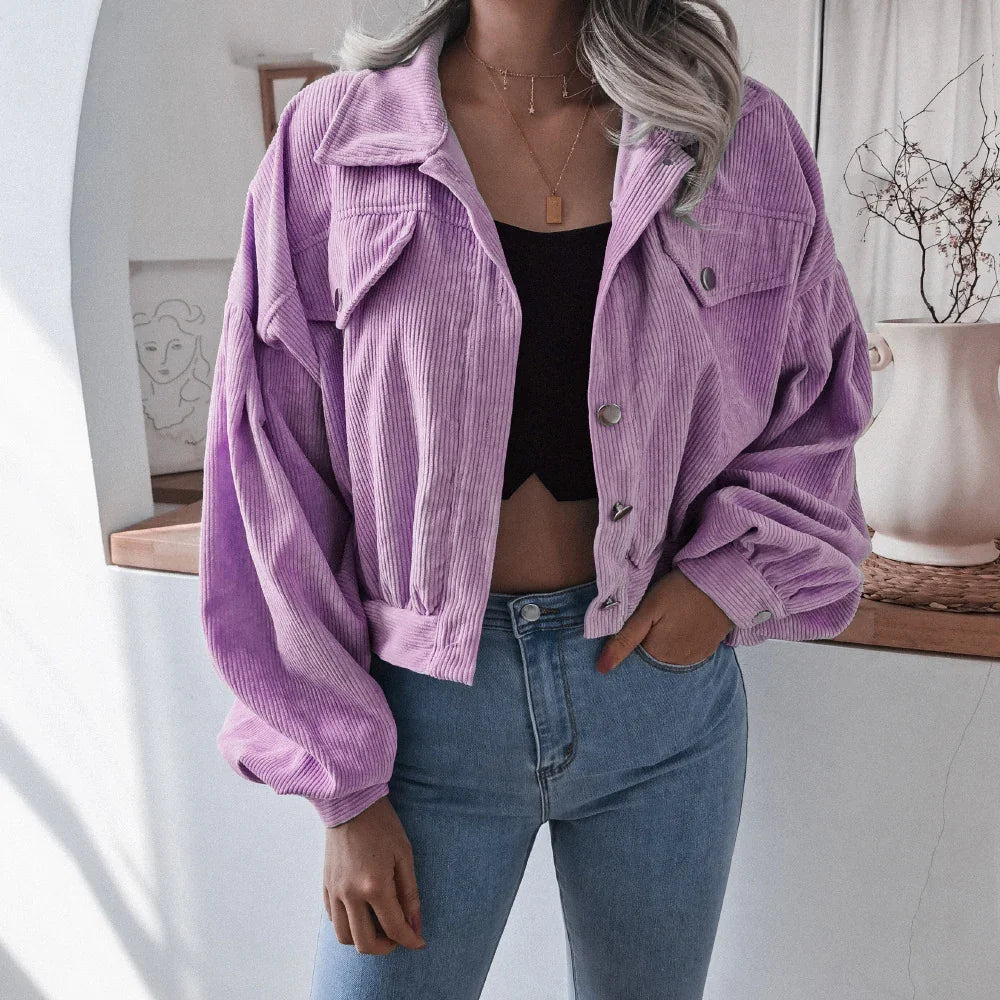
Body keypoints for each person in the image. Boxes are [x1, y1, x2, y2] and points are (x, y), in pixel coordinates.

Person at [199, 1, 874, 997]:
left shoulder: (734, 132)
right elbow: (270, 467)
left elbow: (819, 399)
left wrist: (722, 585)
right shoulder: (332, 141)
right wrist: (343, 788)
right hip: (423, 721)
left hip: (659, 709)